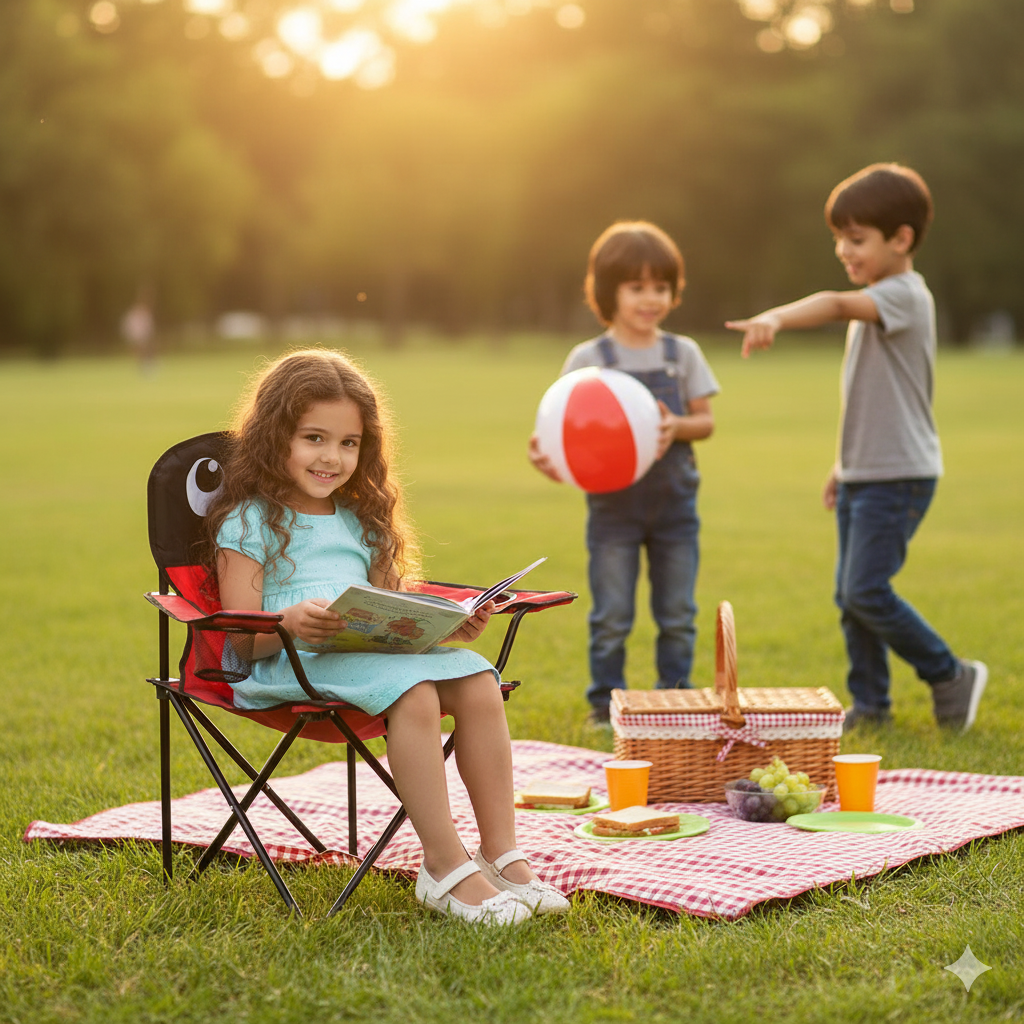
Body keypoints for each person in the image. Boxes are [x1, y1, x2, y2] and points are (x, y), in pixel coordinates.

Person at [203, 348, 569, 925]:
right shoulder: (248, 520)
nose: (332, 457)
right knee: (415, 692)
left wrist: (449, 622)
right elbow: (239, 640)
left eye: (348, 443)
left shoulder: (361, 521)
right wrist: (289, 624)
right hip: (288, 665)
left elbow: (393, 611)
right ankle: (443, 867)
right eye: (314, 438)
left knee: (479, 678)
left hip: (368, 660)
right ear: (275, 437)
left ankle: (501, 855)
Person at [725, 162, 987, 733]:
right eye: (838, 238)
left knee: (865, 589)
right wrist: (842, 466)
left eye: (857, 238)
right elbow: (874, 402)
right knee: (851, 598)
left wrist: (775, 318)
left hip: (899, 475)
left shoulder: (905, 296)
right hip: (866, 472)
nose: (844, 249)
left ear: (902, 239)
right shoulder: (879, 300)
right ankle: (871, 705)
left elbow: (835, 303)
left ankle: (949, 673)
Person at [528, 221, 719, 725]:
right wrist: (547, 459)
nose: (650, 298)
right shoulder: (589, 359)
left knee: (677, 613)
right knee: (612, 614)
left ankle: (674, 700)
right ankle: (604, 704)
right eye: (637, 287)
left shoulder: (682, 354)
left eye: (661, 286)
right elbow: (562, 432)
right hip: (613, 511)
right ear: (609, 291)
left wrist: (677, 425)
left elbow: (705, 422)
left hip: (676, 508)